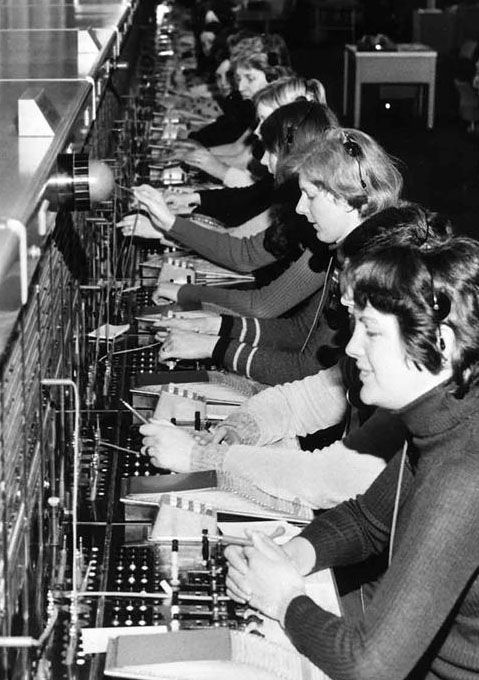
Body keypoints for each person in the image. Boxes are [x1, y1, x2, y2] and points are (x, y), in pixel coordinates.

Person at [225, 236, 479, 680]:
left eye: (372, 331)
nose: (351, 347)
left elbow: (371, 666)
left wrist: (284, 599)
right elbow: (368, 520)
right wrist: (292, 556)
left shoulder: (464, 474)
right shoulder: (444, 421)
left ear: (441, 343)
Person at [138, 208, 451, 508]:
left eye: (351, 286)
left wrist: (201, 457)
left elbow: (330, 478)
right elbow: (302, 400)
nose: (341, 297)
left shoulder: (419, 391)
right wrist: (241, 428)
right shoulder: (380, 354)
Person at [128, 128, 403, 322]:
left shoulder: (367, 265)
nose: (299, 207)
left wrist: (210, 329)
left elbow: (255, 282)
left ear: (344, 198)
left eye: (310, 195)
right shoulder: (336, 242)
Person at [119, 102, 337, 319]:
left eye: (271, 152)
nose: (261, 159)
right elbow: (247, 253)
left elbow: (262, 301)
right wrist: (169, 223)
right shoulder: (300, 203)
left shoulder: (316, 221)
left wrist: (168, 229)